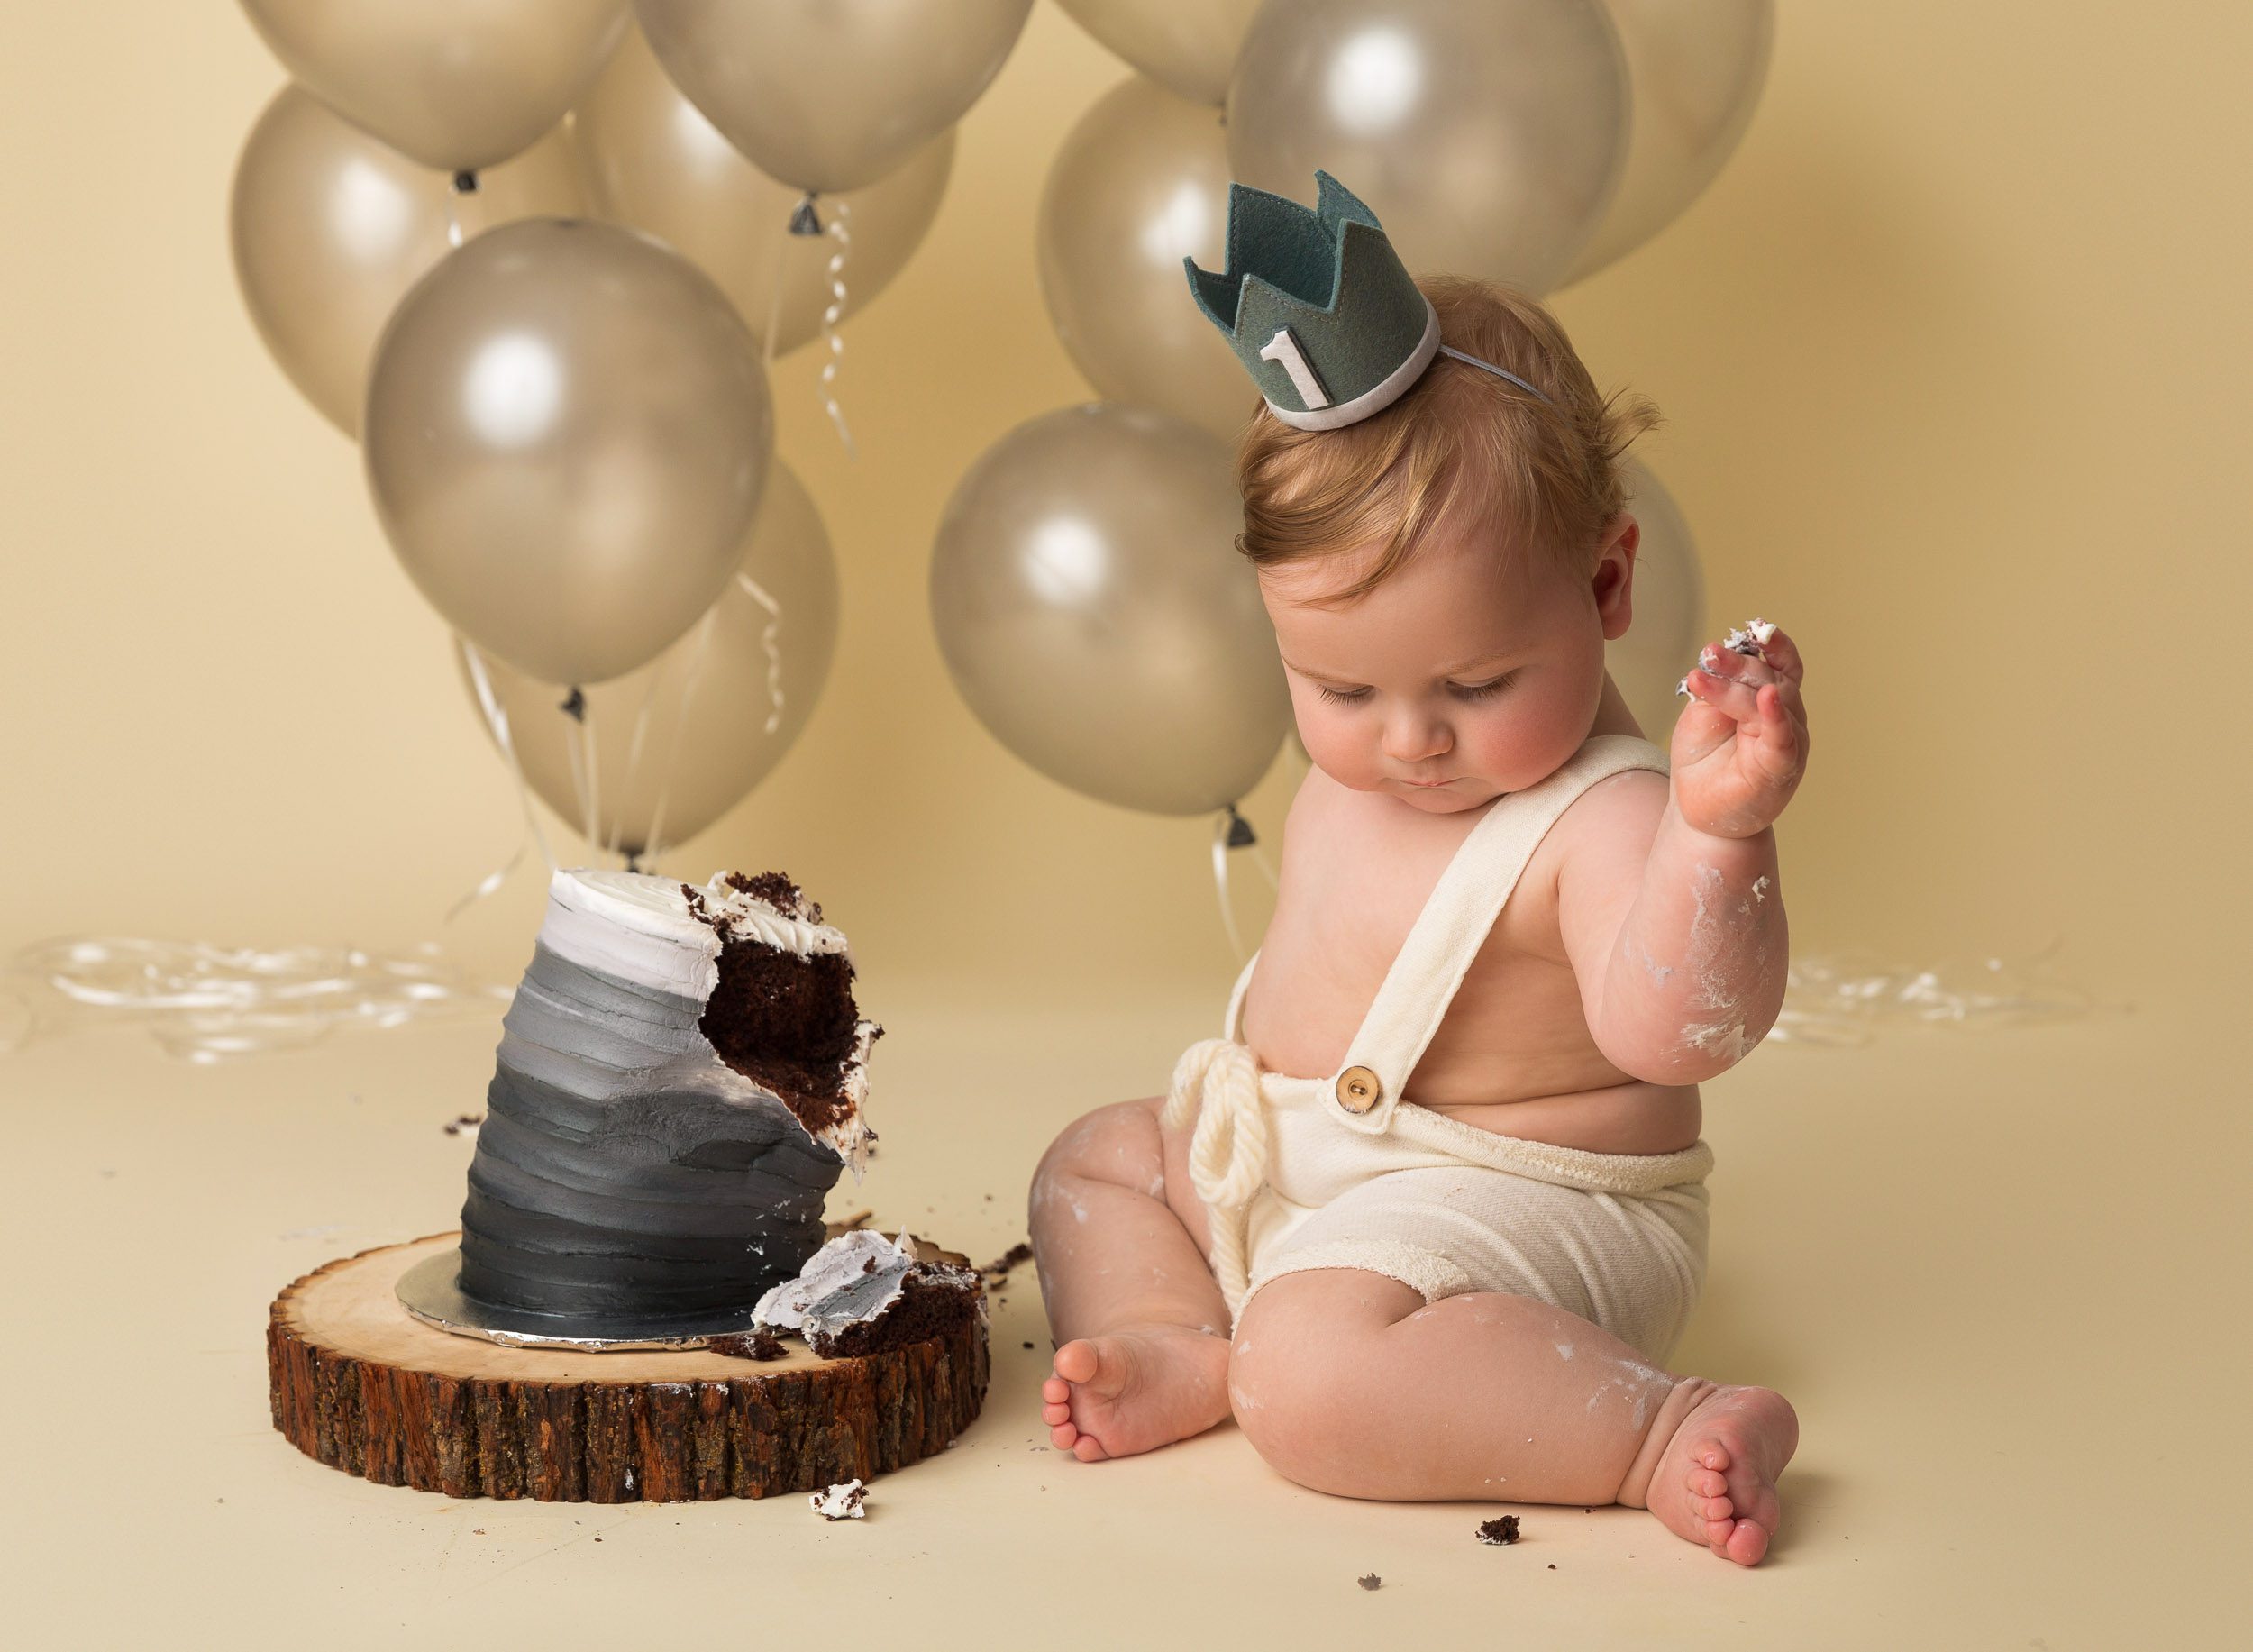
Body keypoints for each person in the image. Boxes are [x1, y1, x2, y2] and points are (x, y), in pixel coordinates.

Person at [1027, 173, 1803, 1565]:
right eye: (1339, 686)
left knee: (1313, 1380)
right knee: (1098, 1161)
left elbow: (1680, 1029)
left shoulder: (1607, 811)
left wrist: (1719, 835)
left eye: (1475, 679)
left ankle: (1650, 1426)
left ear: (1608, 585)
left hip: (1535, 1205)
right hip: (1325, 1178)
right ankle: (1177, 1336)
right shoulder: (1384, 744)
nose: (1409, 739)